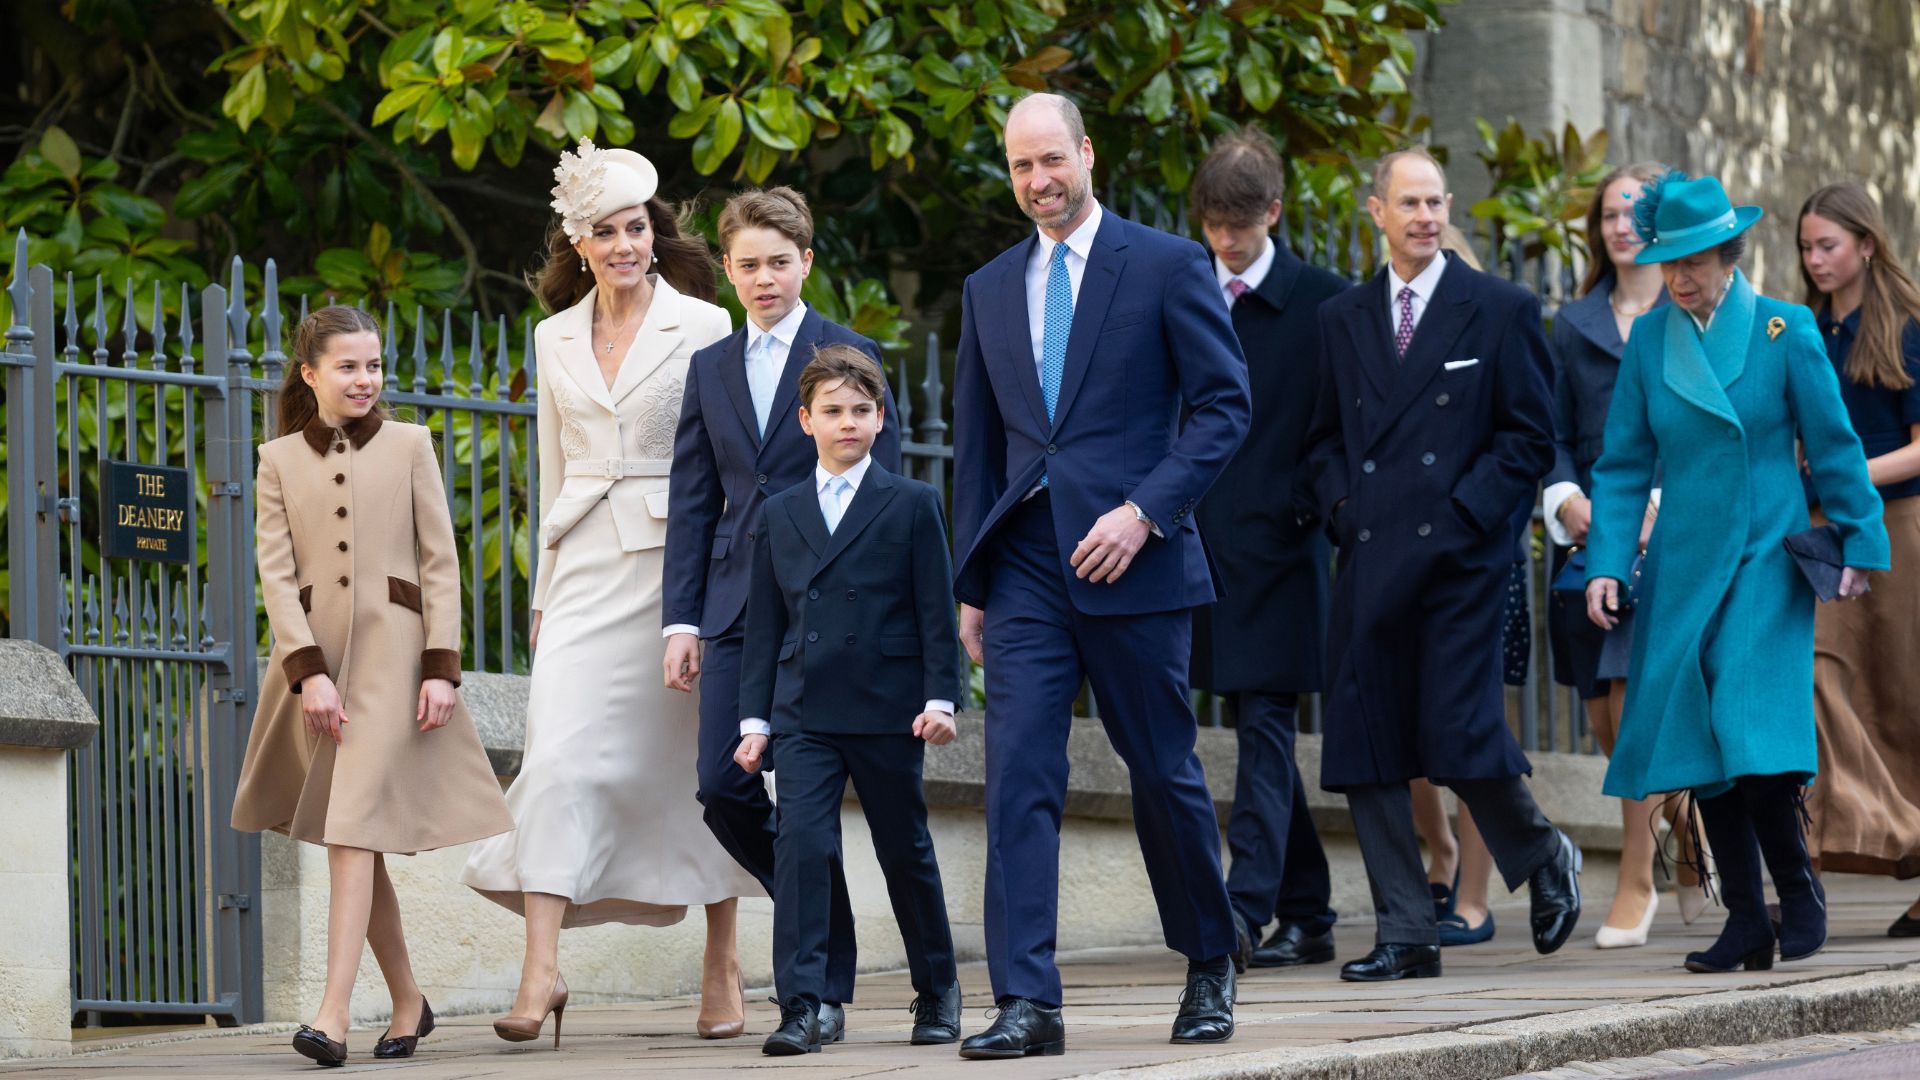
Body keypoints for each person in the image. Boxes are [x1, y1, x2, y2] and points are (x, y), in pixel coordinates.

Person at [950, 92, 1250, 1055]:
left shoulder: (1165, 263)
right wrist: (970, 584)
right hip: (1025, 567)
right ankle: (1027, 1001)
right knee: (1017, 777)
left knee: (1161, 770)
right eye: (1021, 166)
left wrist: (1144, 511)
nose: (1039, 181)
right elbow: (977, 447)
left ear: (1086, 153)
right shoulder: (988, 287)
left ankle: (1210, 959)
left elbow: (1224, 408)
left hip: (1135, 560)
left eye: (1052, 160)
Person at [459, 139, 761, 1045]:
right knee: (556, 760)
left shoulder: (703, 324)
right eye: (606, 232)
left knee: (695, 764)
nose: (624, 245)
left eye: (636, 228)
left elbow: (729, 464)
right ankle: (541, 971)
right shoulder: (550, 335)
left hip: (681, 567)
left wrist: (726, 590)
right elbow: (553, 465)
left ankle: (722, 959)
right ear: (578, 243)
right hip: (585, 567)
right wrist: (543, 592)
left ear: (654, 233)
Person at [1583, 171, 1888, 974]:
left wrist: (1861, 540)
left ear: (1729, 253)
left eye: (1695, 260)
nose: (1680, 277)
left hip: (1763, 556)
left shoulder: (1786, 329)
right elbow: (1622, 465)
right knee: (1701, 736)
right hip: (1683, 563)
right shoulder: (1651, 340)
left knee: (1747, 726)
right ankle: (1748, 920)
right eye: (1669, 262)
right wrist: (1607, 563)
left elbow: (1834, 446)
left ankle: (1798, 889)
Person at [1305, 147, 1583, 983]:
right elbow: (1320, 439)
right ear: (1376, 212)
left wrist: (1464, 515)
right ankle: (1405, 932)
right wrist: (1344, 510)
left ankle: (1543, 852)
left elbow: (1529, 437)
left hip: (1462, 563)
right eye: (1409, 203)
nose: (1425, 217)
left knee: (1456, 734)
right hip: (1370, 557)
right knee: (1366, 745)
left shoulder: (1500, 308)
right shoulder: (1341, 318)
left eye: (1436, 203)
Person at [232, 305, 514, 1067]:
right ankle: (408, 1000)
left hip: (395, 662)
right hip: (318, 666)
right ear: (310, 373)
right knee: (357, 837)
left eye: (375, 365)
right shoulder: (276, 460)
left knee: (352, 832)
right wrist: (307, 673)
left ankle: (331, 1016)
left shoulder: (412, 444)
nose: (365, 379)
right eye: (348, 366)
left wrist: (442, 667)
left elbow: (440, 562)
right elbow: (277, 577)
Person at [662, 186, 902, 1041]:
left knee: (805, 803)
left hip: (826, 606)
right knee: (721, 785)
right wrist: (681, 621)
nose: (763, 278)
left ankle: (815, 989)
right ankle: (824, 919)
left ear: (806, 262)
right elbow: (695, 499)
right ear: (727, 272)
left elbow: (887, 493)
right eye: (747, 265)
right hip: (733, 605)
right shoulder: (710, 367)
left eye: (778, 262)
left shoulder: (851, 353)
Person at [733, 345, 965, 1056]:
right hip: (805, 707)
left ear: (880, 418)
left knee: (904, 848)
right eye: (832, 411)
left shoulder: (912, 502)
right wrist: (754, 720)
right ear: (806, 421)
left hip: (889, 706)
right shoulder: (780, 511)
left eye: (861, 410)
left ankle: (938, 988)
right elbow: (765, 624)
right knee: (801, 846)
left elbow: (936, 611)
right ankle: (804, 1005)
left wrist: (942, 700)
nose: (848, 423)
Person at [1186, 126, 1343, 971]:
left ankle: (1244, 909)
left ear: (1273, 213)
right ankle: (1308, 911)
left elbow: (1343, 427)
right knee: (1254, 729)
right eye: (1213, 224)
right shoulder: (1185, 287)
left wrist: (1306, 508)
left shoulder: (1324, 303)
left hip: (1283, 551)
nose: (1225, 240)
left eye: (1239, 225)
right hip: (1200, 546)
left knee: (1266, 725)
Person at [1543, 163, 1709, 948]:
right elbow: (1547, 434)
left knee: (1635, 704)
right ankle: (1691, 825)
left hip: (1673, 539)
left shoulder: (1693, 317)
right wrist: (1565, 500)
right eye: (1610, 213)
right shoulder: (1571, 325)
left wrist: (1658, 509)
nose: (1620, 226)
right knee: (1604, 717)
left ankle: (1637, 882)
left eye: (1635, 213)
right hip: (1590, 538)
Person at [1796, 182, 1920, 933]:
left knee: (1903, 698)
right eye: (1806, 247)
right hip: (1821, 533)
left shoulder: (1908, 327)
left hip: (1900, 528)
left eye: (1829, 246)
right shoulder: (1800, 329)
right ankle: (1805, 871)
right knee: (1813, 680)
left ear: (1867, 245)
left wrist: (1848, 474)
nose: (1815, 260)